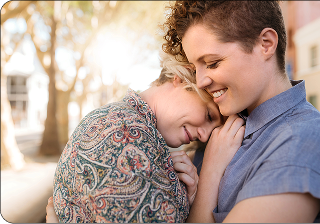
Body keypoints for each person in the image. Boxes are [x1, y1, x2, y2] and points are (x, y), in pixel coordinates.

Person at [162, 1, 320, 223]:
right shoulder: (222, 125)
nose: (200, 82)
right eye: (195, 68)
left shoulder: (302, 141)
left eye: (212, 63)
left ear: (266, 44)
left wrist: (210, 175)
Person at [50, 51, 243, 223]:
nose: (204, 136)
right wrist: (212, 172)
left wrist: (187, 198)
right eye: (209, 115)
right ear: (182, 78)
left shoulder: (136, 131)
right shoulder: (125, 136)